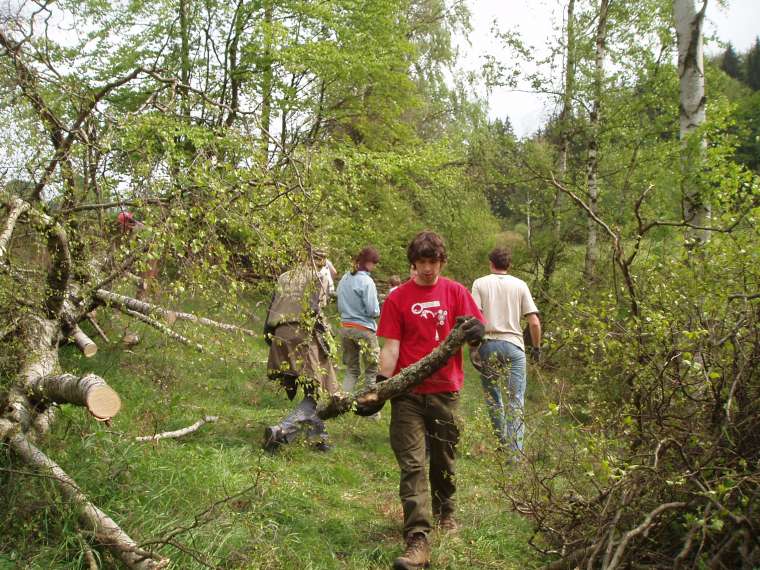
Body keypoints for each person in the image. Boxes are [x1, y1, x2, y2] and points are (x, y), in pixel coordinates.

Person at [377, 231, 484, 570]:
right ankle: (417, 538)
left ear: (441, 261)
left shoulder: (456, 292)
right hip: (407, 393)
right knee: (412, 465)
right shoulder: (398, 299)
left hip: (445, 391)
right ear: (413, 263)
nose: (426, 268)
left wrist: (479, 334)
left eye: (432, 262)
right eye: (421, 262)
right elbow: (391, 347)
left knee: (443, 460)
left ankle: (446, 511)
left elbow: (473, 334)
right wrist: (381, 386)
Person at [262, 248, 339, 452]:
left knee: (311, 387)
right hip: (301, 333)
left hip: (279, 333)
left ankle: (317, 439)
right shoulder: (317, 277)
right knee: (316, 390)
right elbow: (316, 309)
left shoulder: (285, 276)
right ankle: (281, 430)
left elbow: (271, 308)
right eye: (321, 258)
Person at [471, 247, 541, 457]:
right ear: (509, 265)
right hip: (514, 347)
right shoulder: (520, 285)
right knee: (516, 400)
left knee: (494, 398)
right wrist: (536, 348)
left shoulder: (480, 283)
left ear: (490, 262)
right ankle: (515, 455)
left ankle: (502, 442)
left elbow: (474, 318)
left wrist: (473, 347)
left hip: (489, 345)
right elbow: (534, 322)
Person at [336, 247, 381, 404]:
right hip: (364, 329)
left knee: (351, 369)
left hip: (345, 328)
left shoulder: (345, 278)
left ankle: (340, 403)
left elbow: (339, 304)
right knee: (371, 370)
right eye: (374, 263)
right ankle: (370, 409)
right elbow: (373, 310)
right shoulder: (367, 281)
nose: (374, 267)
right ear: (368, 263)